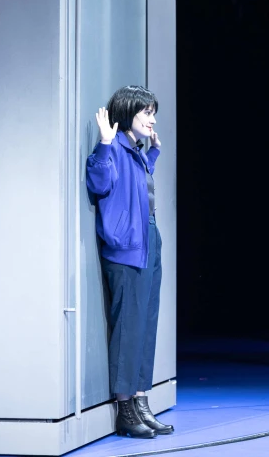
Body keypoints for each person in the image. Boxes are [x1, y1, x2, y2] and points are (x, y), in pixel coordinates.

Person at [86, 85, 173, 439]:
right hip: (127, 248)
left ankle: (141, 400)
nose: (152, 120)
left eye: (153, 114)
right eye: (146, 113)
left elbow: (139, 188)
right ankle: (126, 409)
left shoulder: (136, 152)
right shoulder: (114, 148)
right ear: (127, 113)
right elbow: (99, 182)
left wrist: (153, 154)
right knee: (128, 328)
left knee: (146, 324)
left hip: (148, 241)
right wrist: (104, 143)